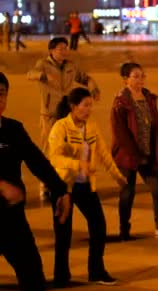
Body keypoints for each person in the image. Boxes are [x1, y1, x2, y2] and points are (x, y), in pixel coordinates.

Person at [0, 72, 71, 291]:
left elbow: (37, 161)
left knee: (33, 281)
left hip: (12, 221)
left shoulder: (12, 129)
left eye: (2, 93)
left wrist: (60, 190)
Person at [48, 88, 127, 287]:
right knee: (63, 234)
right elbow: (54, 157)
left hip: (85, 186)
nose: (89, 109)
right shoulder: (60, 127)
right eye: (85, 105)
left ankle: (96, 271)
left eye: (91, 105)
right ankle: (61, 276)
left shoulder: (91, 126)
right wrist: (77, 164)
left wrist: (117, 175)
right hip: (63, 187)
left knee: (99, 226)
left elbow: (103, 153)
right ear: (74, 107)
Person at [27, 37, 100, 200]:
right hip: (49, 114)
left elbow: (84, 77)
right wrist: (42, 76)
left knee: (69, 147)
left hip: (66, 113)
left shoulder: (70, 66)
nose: (64, 51)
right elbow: (30, 74)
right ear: (51, 51)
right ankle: (44, 185)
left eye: (65, 48)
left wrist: (93, 87)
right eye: (60, 48)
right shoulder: (43, 64)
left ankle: (67, 183)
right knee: (48, 150)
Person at [111, 62, 158, 241]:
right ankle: (124, 229)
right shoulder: (120, 101)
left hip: (148, 153)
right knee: (127, 193)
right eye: (136, 76)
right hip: (127, 156)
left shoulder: (148, 97)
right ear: (125, 79)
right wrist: (136, 154)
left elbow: (157, 124)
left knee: (157, 188)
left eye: (142, 75)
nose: (140, 79)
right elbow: (120, 133)